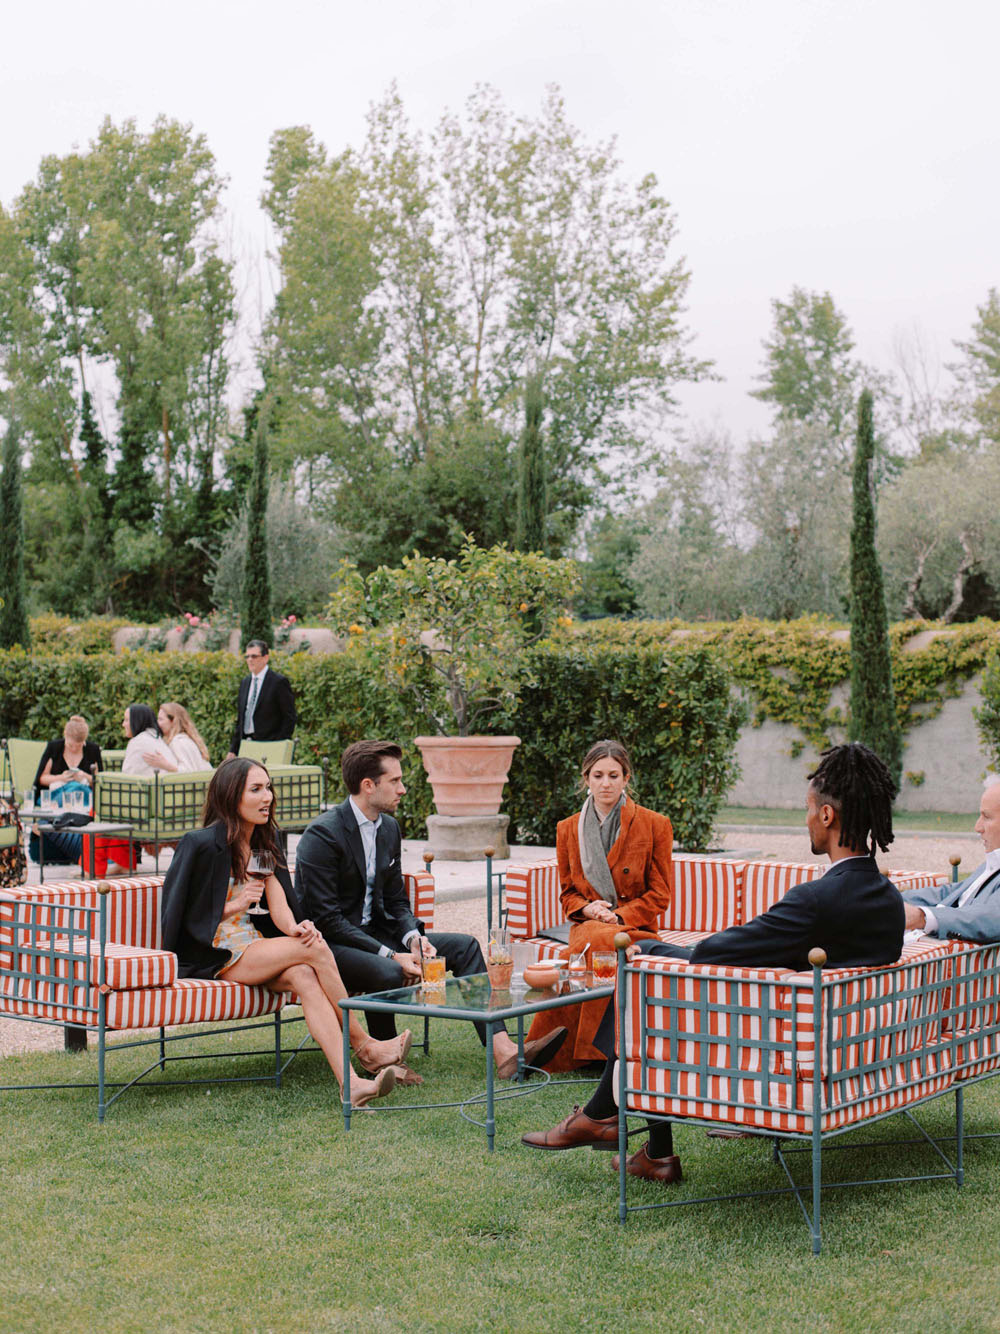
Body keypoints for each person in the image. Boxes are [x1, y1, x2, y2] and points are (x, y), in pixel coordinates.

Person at [521, 742, 905, 1185]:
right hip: (831, 1041)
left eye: (808, 808)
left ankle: (601, 1115)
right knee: (651, 958)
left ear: (826, 816)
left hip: (762, 1043)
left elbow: (710, 954)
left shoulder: (815, 901)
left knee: (642, 976)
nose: (806, 818)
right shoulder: (887, 899)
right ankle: (649, 1150)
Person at [295, 740, 567, 1083]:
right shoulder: (322, 835)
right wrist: (392, 955)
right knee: (388, 972)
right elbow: (327, 920)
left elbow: (395, 901)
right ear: (368, 785)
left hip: (376, 933)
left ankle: (503, 1050)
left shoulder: (388, 828)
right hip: (330, 945)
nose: (402, 788)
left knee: (465, 946)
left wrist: (413, 940)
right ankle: (382, 1058)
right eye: (394, 781)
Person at [161, 757, 408, 1107]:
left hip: (252, 945)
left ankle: (350, 1084)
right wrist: (233, 906)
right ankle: (365, 1046)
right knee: (314, 951)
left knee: (306, 972)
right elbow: (177, 911)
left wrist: (296, 926)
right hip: (213, 951)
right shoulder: (200, 844)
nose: (268, 797)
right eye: (257, 790)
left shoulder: (263, 839)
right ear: (232, 796)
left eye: (269, 788)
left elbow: (276, 900)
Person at [524, 740, 673, 1070]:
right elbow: (567, 895)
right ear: (586, 779)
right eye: (598, 775)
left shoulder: (655, 824)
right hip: (588, 926)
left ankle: (565, 1051)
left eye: (613, 775)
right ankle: (602, 1052)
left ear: (626, 778)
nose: (606, 783)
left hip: (635, 929)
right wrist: (589, 909)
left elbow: (660, 895)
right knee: (597, 940)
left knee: (572, 956)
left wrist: (616, 916)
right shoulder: (567, 829)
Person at [901, 776, 1000, 943]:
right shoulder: (992, 863)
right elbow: (955, 892)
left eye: (987, 817)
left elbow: (991, 917)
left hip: (938, 959)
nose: (977, 827)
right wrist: (889, 898)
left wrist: (922, 917)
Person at [28, 715, 103, 865]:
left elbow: (100, 783)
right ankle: (78, 850)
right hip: (56, 796)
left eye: (79, 745)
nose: (74, 748)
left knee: (77, 788)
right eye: (70, 745)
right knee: (71, 788)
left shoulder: (93, 750)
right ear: (65, 736)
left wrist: (85, 777)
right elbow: (42, 779)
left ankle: (45, 825)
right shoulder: (54, 747)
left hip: (82, 799)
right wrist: (61, 778)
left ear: (84, 741)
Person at [226, 640, 296, 759]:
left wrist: (278, 744)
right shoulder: (245, 683)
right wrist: (233, 750)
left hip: (270, 747)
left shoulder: (278, 682)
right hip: (246, 746)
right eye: (247, 656)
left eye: (254, 656)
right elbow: (241, 720)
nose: (250, 659)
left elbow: (289, 717)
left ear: (265, 658)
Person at [121, 704, 177, 775]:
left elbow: (126, 775)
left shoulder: (138, 742)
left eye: (126, 720)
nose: (123, 724)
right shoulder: (156, 738)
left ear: (137, 721)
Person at [158, 702, 212, 772]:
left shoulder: (178, 742)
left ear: (173, 721)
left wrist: (165, 765)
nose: (158, 723)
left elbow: (188, 772)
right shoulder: (186, 739)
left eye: (161, 719)